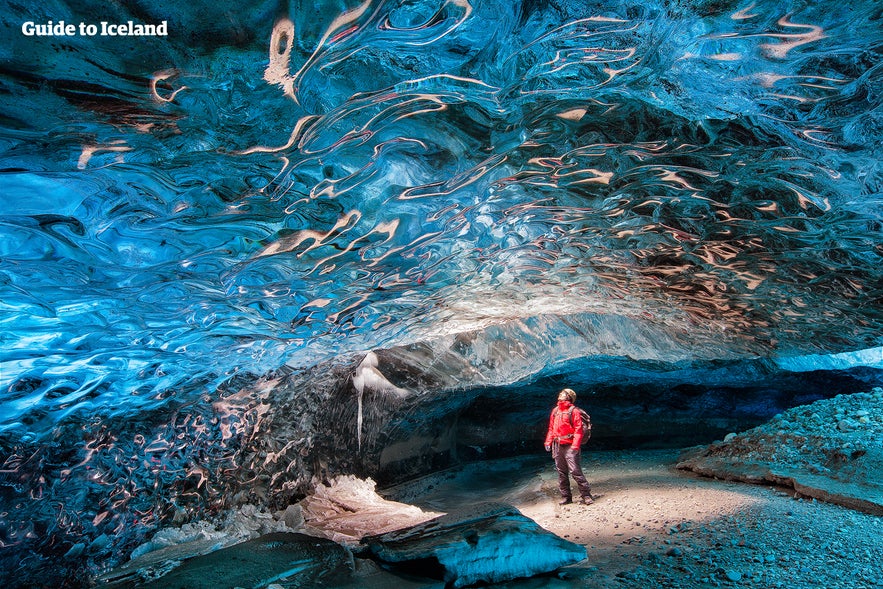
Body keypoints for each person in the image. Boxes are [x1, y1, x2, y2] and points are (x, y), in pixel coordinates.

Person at [544, 388, 594, 505]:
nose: (560, 394)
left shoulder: (574, 411)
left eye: (563, 393)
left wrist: (575, 446)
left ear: (569, 397)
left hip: (570, 445)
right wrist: (548, 442)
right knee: (561, 472)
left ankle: (586, 495)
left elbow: (578, 430)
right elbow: (551, 428)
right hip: (558, 445)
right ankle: (566, 497)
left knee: (575, 471)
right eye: (561, 392)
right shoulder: (555, 411)